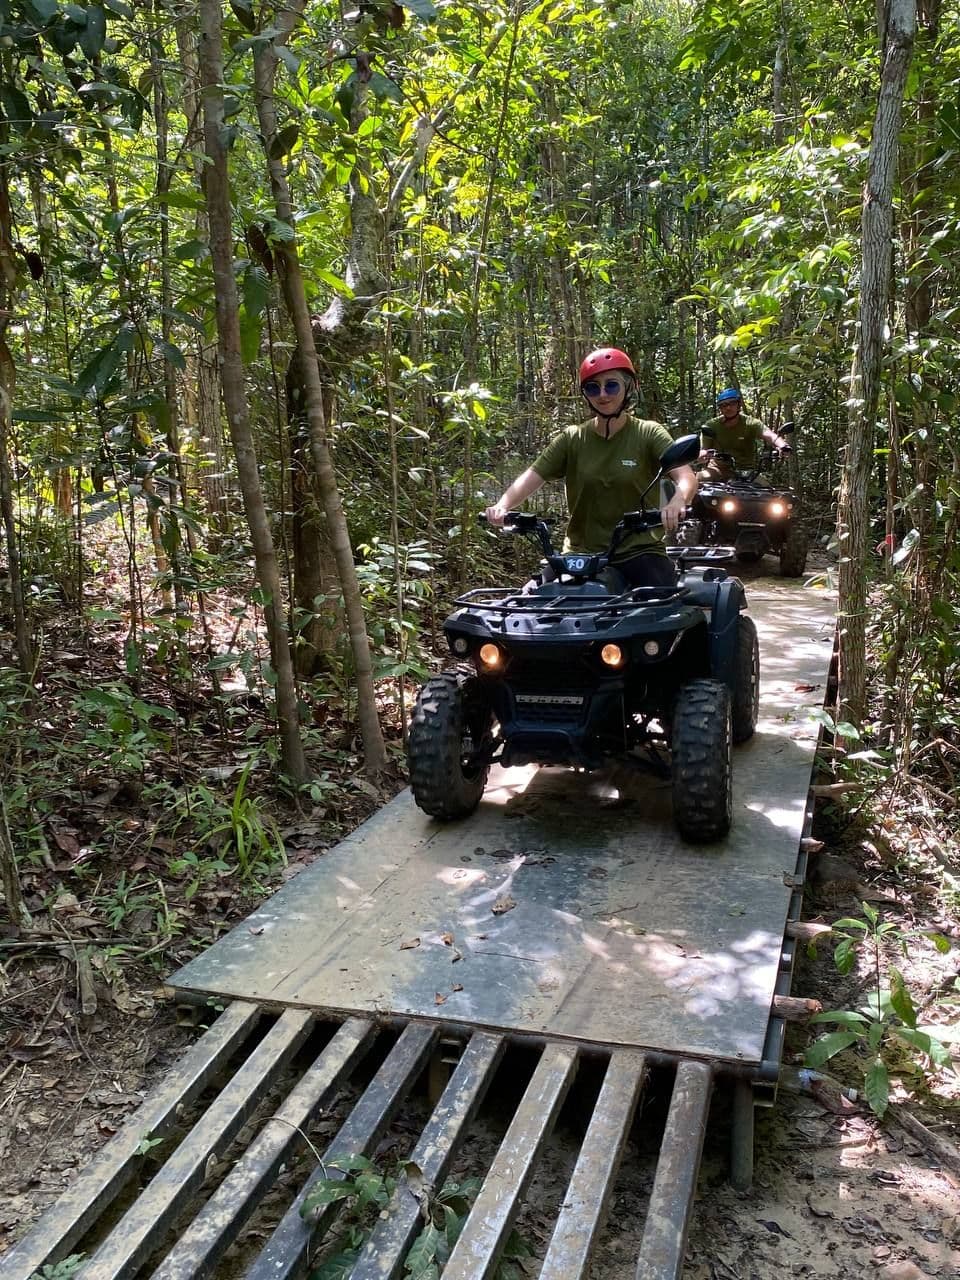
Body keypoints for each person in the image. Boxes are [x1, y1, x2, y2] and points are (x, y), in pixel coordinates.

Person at [485, 347, 698, 589]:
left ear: (630, 387)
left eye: (612, 385)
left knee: (663, 606)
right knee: (532, 601)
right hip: (579, 555)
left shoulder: (648, 433)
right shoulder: (573, 438)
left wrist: (677, 500)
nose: (603, 394)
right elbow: (533, 476)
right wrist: (502, 505)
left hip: (638, 551)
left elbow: (685, 477)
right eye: (593, 388)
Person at [700, 387, 791, 479]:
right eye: (723, 405)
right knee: (700, 478)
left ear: (738, 404)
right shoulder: (711, 426)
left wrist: (783, 446)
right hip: (718, 469)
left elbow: (770, 435)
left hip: (747, 472)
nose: (728, 407)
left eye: (732, 403)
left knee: (767, 489)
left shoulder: (751, 423)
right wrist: (703, 455)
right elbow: (703, 450)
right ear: (720, 408)